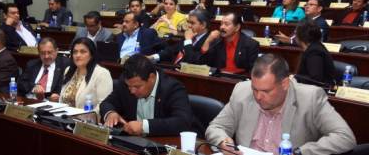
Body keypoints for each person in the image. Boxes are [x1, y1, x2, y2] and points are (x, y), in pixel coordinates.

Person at [205, 54, 356, 155]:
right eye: (254, 89)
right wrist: (223, 142)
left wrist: (299, 152)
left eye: (266, 91)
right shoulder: (242, 91)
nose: (258, 96)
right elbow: (216, 127)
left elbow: (345, 137)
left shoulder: (310, 98)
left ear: (284, 83)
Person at [100, 54, 193, 136]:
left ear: (151, 78)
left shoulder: (172, 88)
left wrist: (144, 126)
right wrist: (110, 113)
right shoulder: (126, 82)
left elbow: (182, 122)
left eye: (137, 87)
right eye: (129, 86)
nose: (132, 91)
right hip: (134, 142)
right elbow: (107, 103)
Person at [60, 37, 113, 112]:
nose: (78, 55)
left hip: (86, 120)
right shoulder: (68, 70)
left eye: (83, 52)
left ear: (91, 54)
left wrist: (85, 117)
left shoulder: (102, 74)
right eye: (75, 52)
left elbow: (103, 105)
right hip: (63, 118)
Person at [295, 20, 335, 86]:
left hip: (320, 91)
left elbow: (316, 79)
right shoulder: (315, 46)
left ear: (300, 36)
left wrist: (295, 78)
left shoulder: (314, 52)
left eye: (295, 33)